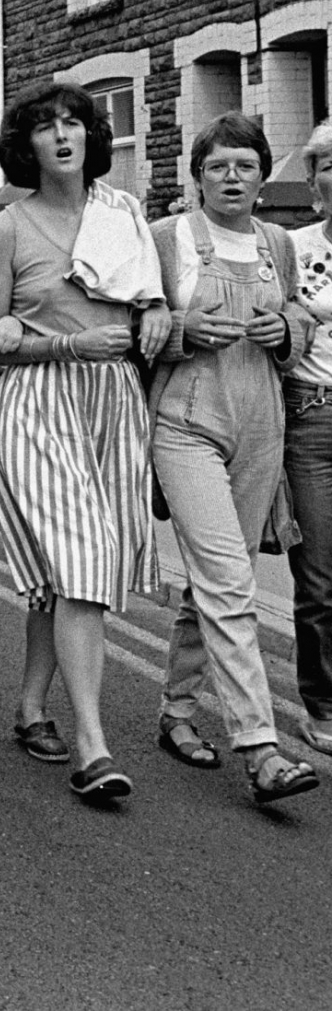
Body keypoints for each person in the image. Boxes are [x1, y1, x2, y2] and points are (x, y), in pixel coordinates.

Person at [0, 79, 169, 805]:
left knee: (67, 569)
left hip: (113, 401)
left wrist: (152, 311)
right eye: (44, 127)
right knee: (84, 558)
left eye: (73, 124)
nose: (62, 136)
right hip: (38, 405)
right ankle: (93, 744)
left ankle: (31, 706)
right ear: (24, 146)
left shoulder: (122, 211)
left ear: (91, 137)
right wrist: (66, 343)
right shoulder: (7, 229)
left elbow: (147, 290)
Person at [145, 114, 318, 803]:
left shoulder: (276, 240)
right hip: (186, 419)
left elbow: (304, 317)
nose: (232, 178)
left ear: (263, 173)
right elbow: (138, 325)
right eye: (218, 166)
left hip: (261, 419)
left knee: (225, 576)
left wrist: (287, 330)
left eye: (246, 165)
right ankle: (261, 746)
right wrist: (181, 330)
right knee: (226, 580)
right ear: (197, 175)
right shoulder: (167, 238)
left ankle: (178, 711)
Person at [289, 118, 332, 757]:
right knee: (320, 574)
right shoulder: (289, 248)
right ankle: (323, 703)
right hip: (313, 416)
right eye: (329, 165)